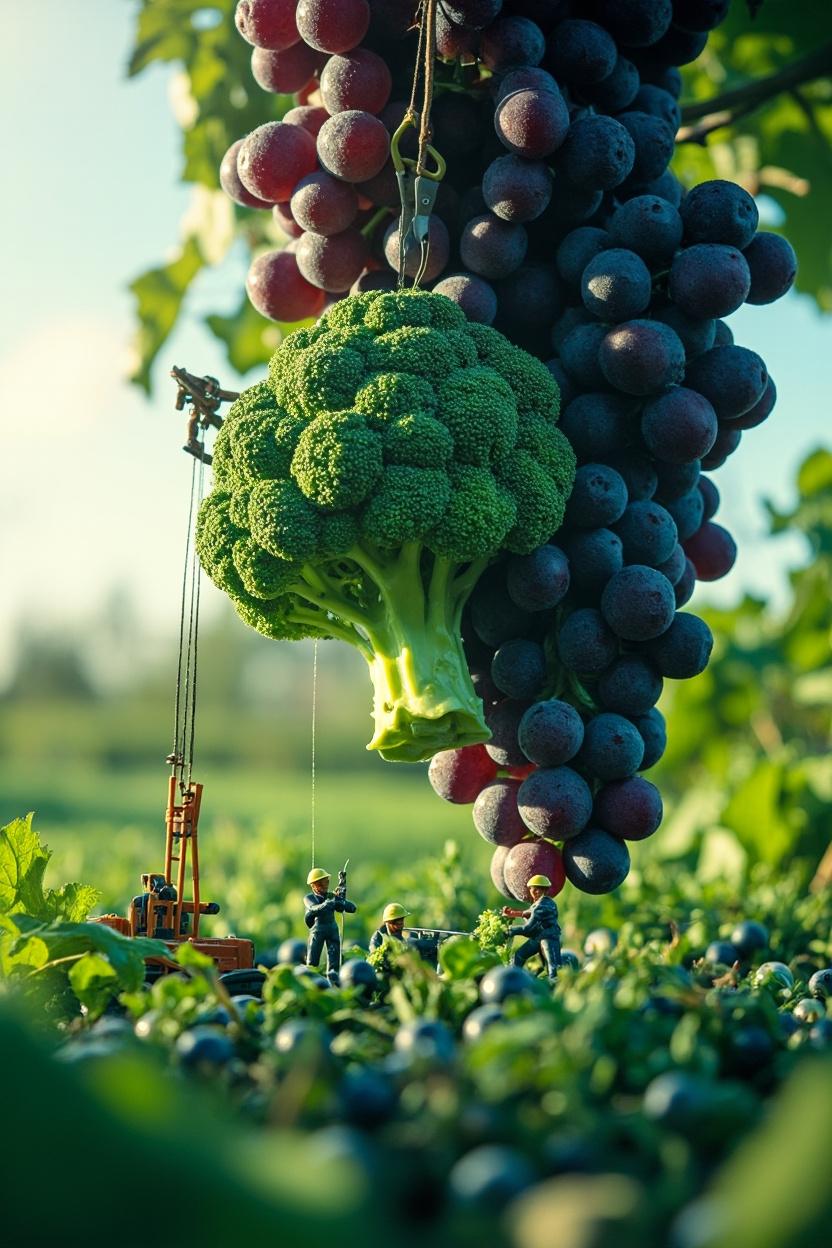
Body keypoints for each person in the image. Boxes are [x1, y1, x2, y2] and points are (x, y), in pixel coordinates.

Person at [502, 874, 562, 982]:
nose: (534, 892)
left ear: (544, 890)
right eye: (532, 889)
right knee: (519, 955)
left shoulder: (544, 906)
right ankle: (514, 980)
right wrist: (512, 914)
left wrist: (511, 930)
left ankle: (555, 988)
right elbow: (528, 913)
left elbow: (528, 928)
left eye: (537, 890)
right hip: (538, 937)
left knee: (553, 967)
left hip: (549, 938)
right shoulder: (539, 903)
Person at [303, 866, 357, 982]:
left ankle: (333, 981)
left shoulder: (331, 897)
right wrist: (326, 904)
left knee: (334, 960)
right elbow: (313, 908)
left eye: (326, 882)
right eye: (320, 884)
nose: (325, 886)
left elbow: (348, 907)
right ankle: (310, 980)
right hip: (318, 930)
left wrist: (342, 891)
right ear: (313, 885)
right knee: (313, 960)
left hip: (332, 930)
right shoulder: (309, 898)